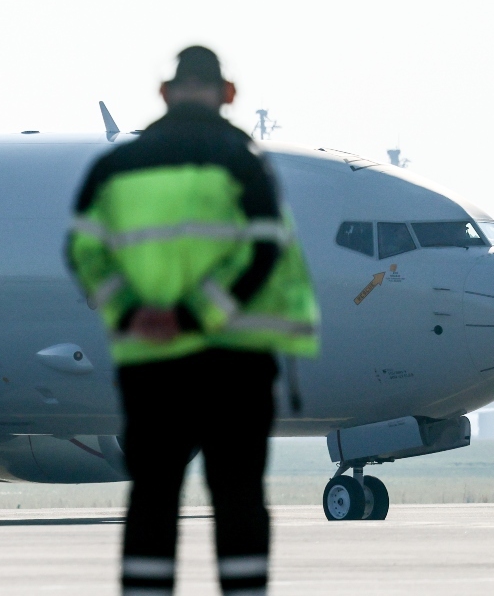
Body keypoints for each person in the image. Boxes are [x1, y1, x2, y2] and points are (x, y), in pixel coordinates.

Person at [67, 46, 320, 595]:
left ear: (165, 92)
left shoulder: (115, 167)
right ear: (227, 94)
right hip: (235, 363)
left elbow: (84, 252)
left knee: (153, 495)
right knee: (238, 496)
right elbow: (263, 252)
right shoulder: (244, 162)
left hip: (152, 363)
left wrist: (136, 315)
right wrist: (197, 315)